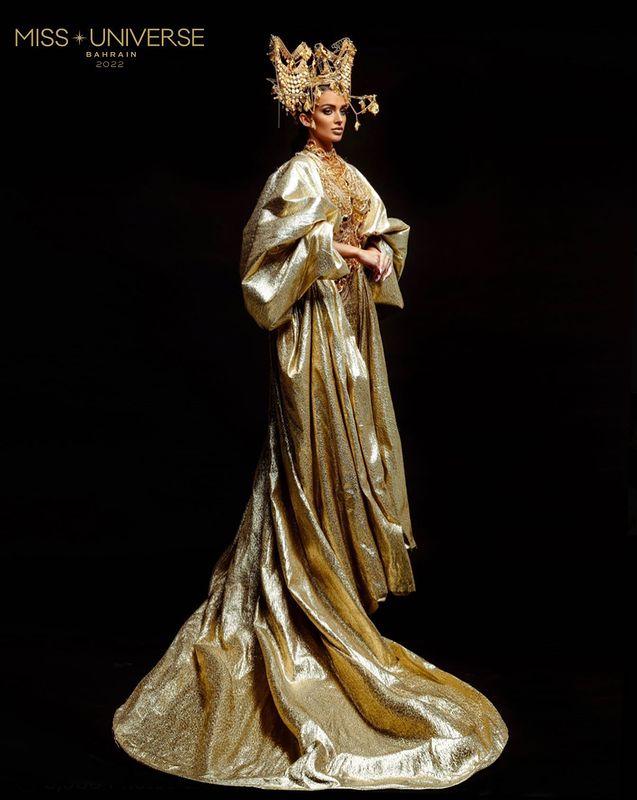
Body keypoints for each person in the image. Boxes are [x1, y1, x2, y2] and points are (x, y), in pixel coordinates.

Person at [111, 35, 509, 790]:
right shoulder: (294, 174)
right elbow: (263, 259)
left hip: (350, 328)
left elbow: (380, 225)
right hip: (309, 331)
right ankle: (298, 600)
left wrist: (380, 250)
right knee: (308, 449)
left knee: (355, 449)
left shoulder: (349, 173)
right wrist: (344, 253)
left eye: (343, 109)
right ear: (302, 113)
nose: (339, 119)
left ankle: (338, 598)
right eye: (327, 109)